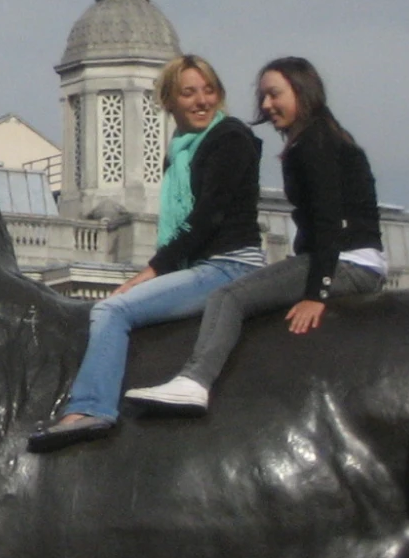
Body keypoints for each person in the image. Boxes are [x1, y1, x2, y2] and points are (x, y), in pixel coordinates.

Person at [29, 56, 264, 452]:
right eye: (189, 92)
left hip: (228, 267)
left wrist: (151, 271)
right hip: (202, 264)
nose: (201, 101)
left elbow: (208, 217)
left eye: (209, 91)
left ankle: (91, 407)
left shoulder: (230, 138)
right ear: (167, 101)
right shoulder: (181, 151)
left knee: (111, 309)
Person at [130, 57, 390, 412]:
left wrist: (317, 292)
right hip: (350, 259)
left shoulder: (314, 144)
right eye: (263, 97)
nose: (266, 106)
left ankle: (195, 380)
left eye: (274, 95)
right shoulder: (321, 137)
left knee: (228, 298)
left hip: (348, 262)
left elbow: (329, 221)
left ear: (303, 92)